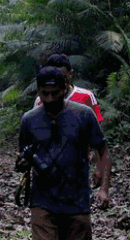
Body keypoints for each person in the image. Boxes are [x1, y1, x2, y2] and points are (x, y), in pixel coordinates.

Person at [17, 67, 111, 240]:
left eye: (55, 93)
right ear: (38, 91)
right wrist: (23, 163)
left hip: (77, 201)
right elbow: (22, 156)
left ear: (65, 89)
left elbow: (103, 150)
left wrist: (104, 189)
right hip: (42, 201)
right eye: (45, 94)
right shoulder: (29, 120)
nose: (50, 99)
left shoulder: (84, 115)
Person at [33, 54, 105, 186]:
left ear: (71, 74)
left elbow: (98, 136)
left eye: (63, 77)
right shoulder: (40, 101)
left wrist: (99, 167)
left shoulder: (86, 97)